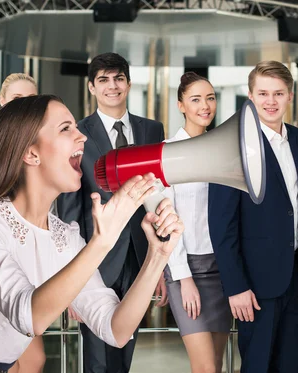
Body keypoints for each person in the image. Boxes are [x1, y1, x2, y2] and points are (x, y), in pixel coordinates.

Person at [0, 95, 183, 373]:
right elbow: (29, 317)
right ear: (31, 154)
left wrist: (157, 255)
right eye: (65, 128)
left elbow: (115, 329)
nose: (81, 136)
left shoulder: (65, 237)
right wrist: (102, 242)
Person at [56, 52, 167, 373]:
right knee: (97, 354)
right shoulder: (76, 133)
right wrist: (73, 279)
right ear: (91, 87)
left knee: (125, 344)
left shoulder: (151, 129)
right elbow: (69, 211)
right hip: (96, 258)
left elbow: (158, 197)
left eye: (118, 78)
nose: (112, 86)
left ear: (129, 84)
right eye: (103, 80)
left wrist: (158, 265)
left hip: (140, 254)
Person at [208, 60, 298, 373]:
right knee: (257, 366)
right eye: (264, 93)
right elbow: (221, 225)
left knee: (290, 365)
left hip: (294, 280)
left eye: (278, 94)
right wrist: (236, 286)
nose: (271, 101)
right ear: (251, 96)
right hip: (253, 285)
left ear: (290, 96)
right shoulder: (232, 146)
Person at [162, 72, 231, 373]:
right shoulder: (167, 153)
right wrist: (184, 277)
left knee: (216, 363)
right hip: (186, 269)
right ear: (181, 106)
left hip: (222, 269)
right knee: (204, 366)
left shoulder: (224, 151)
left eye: (210, 98)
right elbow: (166, 221)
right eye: (195, 99)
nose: (205, 105)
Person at [0, 73, 45, 373]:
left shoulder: (40, 150)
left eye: (30, 101)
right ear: (3, 103)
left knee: (32, 358)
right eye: (17, 100)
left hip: (29, 264)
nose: (24, 107)